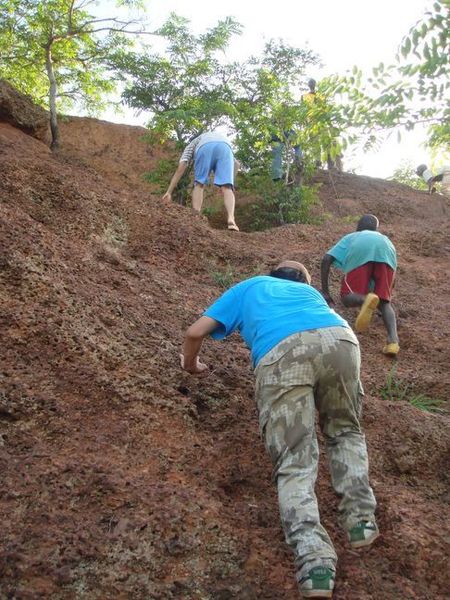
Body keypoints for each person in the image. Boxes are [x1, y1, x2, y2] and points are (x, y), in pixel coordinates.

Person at [181, 260, 379, 599]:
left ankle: (315, 562)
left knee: (295, 459)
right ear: (301, 280)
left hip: (283, 351)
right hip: (340, 339)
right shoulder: (310, 293)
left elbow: (194, 332)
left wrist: (191, 365)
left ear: (270, 276)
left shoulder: (250, 286)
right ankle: (361, 521)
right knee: (344, 430)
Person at [321, 214, 399, 356]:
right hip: (388, 253)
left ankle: (365, 300)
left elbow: (326, 259)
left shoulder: (354, 237)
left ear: (358, 227)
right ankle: (393, 342)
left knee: (346, 297)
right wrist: (386, 295)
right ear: (376, 229)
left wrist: (325, 292)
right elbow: (393, 273)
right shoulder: (386, 240)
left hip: (361, 250)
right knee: (385, 303)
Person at [162, 130, 240, 231]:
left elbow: (180, 168)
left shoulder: (192, 144)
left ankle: (196, 217)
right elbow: (237, 164)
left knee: (199, 184)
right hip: (225, 146)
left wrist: (169, 191)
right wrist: (229, 184)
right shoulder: (219, 138)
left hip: (205, 147)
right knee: (227, 188)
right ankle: (231, 220)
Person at [302, 79, 343, 172]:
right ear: (308, 85)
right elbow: (303, 110)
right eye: (310, 83)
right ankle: (317, 163)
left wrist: (329, 123)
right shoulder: (304, 96)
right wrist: (305, 122)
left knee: (326, 142)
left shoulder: (321, 96)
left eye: (313, 83)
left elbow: (325, 110)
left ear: (315, 84)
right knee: (314, 143)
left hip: (322, 122)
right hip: (311, 123)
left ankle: (331, 164)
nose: (312, 84)